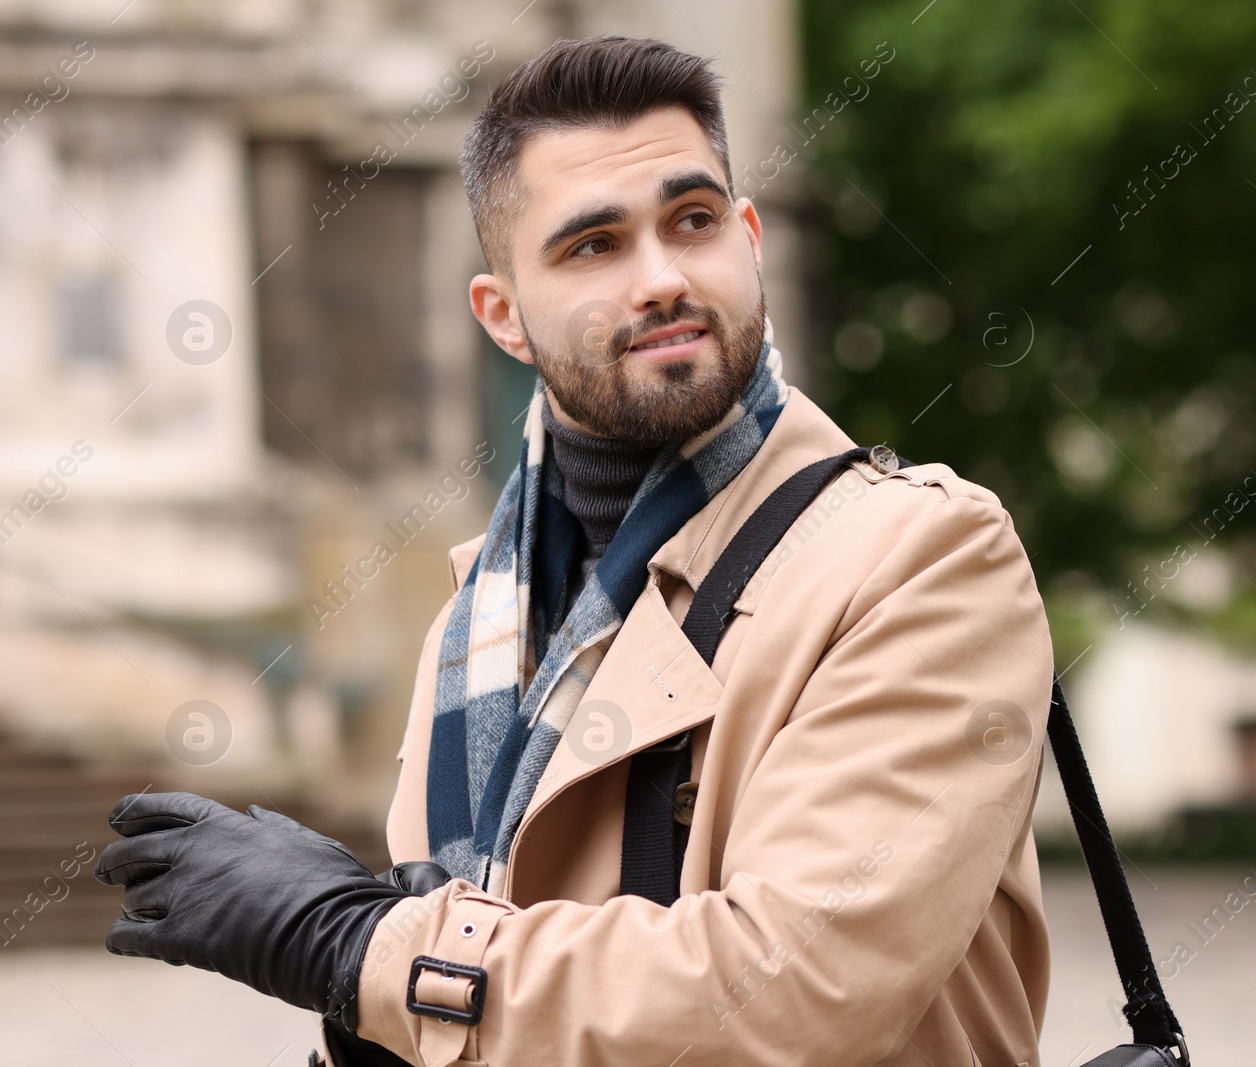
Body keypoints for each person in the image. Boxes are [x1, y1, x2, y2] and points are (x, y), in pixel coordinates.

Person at [94, 35, 1056, 1067]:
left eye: (691, 222)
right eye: (592, 244)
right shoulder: (479, 615)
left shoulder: (919, 555)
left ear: (748, 237)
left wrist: (355, 942)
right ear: (502, 316)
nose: (661, 279)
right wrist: (356, 1024)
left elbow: (797, 987)